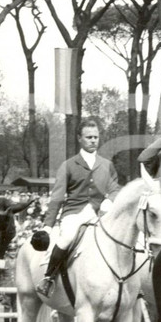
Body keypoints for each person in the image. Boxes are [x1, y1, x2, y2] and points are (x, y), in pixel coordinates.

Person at [36, 119, 120, 298]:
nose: (93, 140)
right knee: (66, 237)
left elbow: (114, 188)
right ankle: (48, 278)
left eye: (96, 137)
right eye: (89, 137)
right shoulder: (69, 165)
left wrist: (110, 200)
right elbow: (57, 197)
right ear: (79, 139)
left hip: (99, 214)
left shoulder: (106, 164)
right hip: (74, 214)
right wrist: (48, 226)